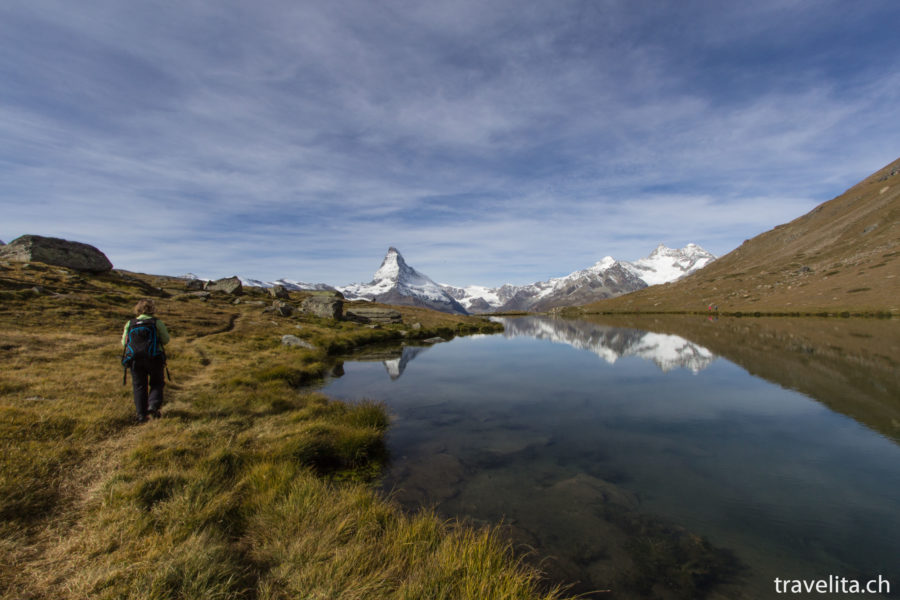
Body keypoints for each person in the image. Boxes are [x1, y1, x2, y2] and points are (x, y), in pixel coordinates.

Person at [122, 298, 170, 423]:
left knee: (139, 386)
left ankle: (141, 415)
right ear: (152, 309)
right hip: (154, 358)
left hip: (134, 360)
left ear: (138, 309)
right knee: (157, 383)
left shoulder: (130, 323)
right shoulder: (156, 322)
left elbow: (124, 343)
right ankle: (153, 405)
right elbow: (166, 340)